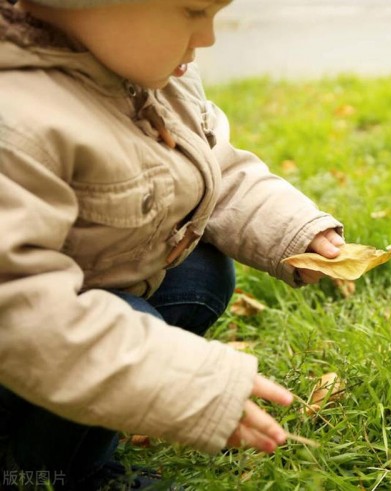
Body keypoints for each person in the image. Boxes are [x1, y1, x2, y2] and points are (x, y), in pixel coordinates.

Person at [0, 0, 345, 488]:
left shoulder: (149, 73)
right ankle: (46, 470)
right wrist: (181, 381)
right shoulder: (17, 123)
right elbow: (20, 316)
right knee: (133, 322)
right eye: (192, 11)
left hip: (83, 294)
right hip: (25, 338)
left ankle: (79, 422)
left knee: (201, 271)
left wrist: (293, 230)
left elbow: (211, 165)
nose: (208, 37)